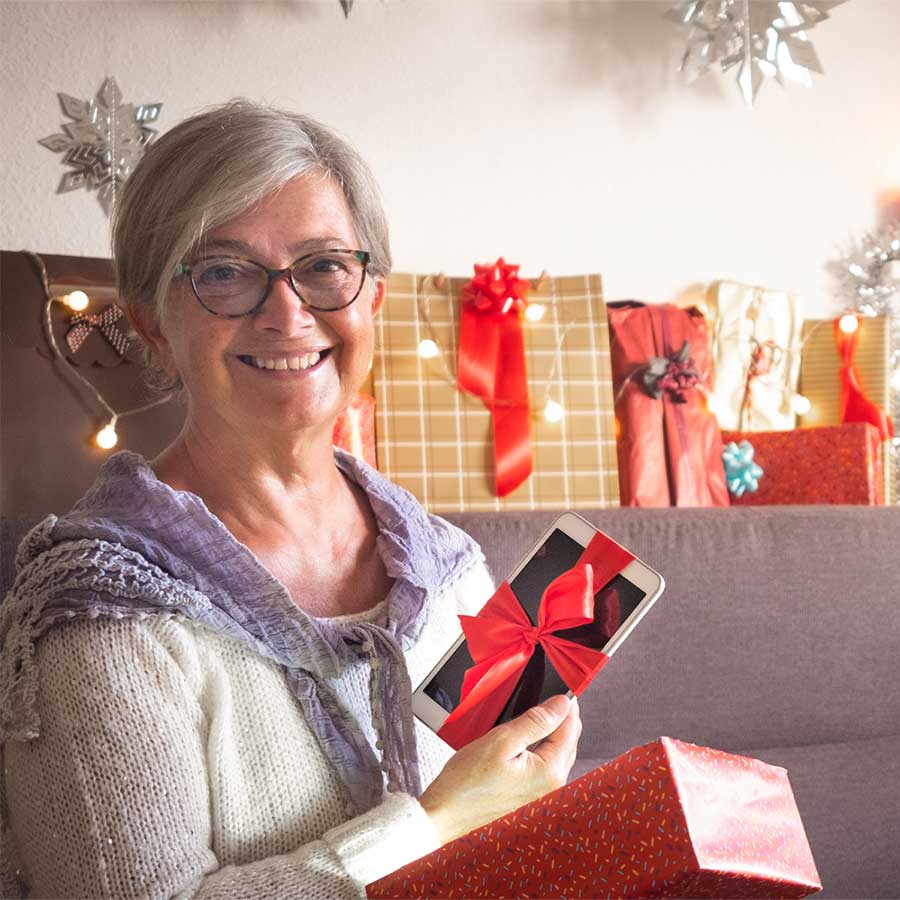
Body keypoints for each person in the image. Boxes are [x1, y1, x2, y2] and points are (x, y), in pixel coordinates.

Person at [0, 100, 581, 899]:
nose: (286, 312)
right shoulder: (100, 618)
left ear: (372, 296)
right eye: (224, 273)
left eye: (323, 266)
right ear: (153, 326)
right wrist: (433, 826)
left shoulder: (449, 571)